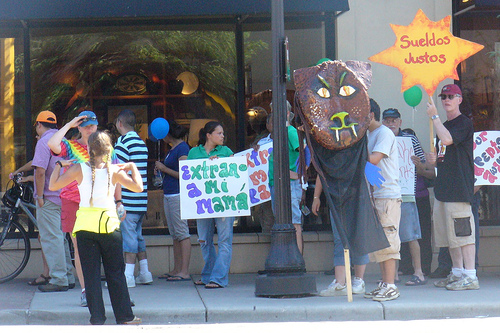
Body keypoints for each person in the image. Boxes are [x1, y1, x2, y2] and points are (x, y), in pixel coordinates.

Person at [49, 130, 142, 325]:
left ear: (89, 149)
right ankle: (125, 316)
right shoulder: (115, 171)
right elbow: (138, 188)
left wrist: (58, 165)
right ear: (109, 149)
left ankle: (97, 318)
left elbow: (53, 185)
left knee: (91, 276)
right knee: (116, 273)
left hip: (84, 228)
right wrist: (132, 167)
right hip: (109, 227)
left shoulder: (77, 169)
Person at [426, 84, 478, 290]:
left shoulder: (464, 123)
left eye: (450, 96)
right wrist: (433, 160)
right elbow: (444, 153)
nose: (446, 100)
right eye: (443, 96)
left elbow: (448, 139)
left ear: (459, 99)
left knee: (463, 233)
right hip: (444, 189)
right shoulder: (444, 126)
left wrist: (434, 117)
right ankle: (457, 273)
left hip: (458, 189)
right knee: (449, 235)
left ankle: (470, 275)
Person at [47, 110, 100, 306]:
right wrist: (69, 123)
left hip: (96, 202)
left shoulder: (102, 146)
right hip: (72, 200)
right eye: (85, 125)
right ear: (79, 127)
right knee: (79, 247)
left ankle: (96, 287)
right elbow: (52, 144)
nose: (89, 129)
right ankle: (86, 290)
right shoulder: (70, 146)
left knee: (99, 246)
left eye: (92, 125)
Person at [30, 111, 76, 293]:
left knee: (51, 238)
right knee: (61, 238)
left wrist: (40, 197)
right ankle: (67, 276)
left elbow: (40, 172)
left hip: (49, 197)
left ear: (39, 125)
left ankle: (58, 279)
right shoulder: (63, 142)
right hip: (64, 196)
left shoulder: (43, 143)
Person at [187, 121, 234, 289]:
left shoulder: (226, 152)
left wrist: (221, 162)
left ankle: (218, 278)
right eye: (219, 133)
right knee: (204, 240)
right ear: (208, 135)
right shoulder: (194, 152)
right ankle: (208, 275)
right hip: (203, 204)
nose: (222, 136)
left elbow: (234, 174)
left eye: (223, 133)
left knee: (224, 240)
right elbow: (189, 177)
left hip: (223, 203)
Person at [382, 108, 426, 286]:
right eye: (387, 120)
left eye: (394, 120)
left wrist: (418, 163)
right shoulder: (380, 137)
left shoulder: (410, 139)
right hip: (386, 193)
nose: (391, 123)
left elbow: (423, 163)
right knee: (391, 235)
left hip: (406, 193)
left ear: (400, 122)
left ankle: (419, 272)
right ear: (383, 121)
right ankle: (393, 275)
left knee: (411, 235)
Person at [364, 99, 402, 302]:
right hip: (376, 196)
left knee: (388, 241)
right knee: (380, 244)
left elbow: (373, 159)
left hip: (387, 196)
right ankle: (384, 283)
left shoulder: (384, 133)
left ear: (370, 115)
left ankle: (391, 285)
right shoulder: (370, 135)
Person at [312, 175, 368, 297]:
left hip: (356, 192)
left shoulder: (357, 154)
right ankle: (341, 283)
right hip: (338, 195)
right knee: (341, 238)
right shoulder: (331, 155)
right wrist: (316, 196)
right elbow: (321, 170)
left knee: (358, 236)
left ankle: (357, 281)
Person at [114, 109, 152, 287]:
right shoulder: (141, 143)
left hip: (127, 200)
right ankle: (144, 272)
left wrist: (117, 200)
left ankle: (128, 276)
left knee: (128, 238)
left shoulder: (122, 142)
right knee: (138, 236)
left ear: (119, 124)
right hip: (141, 199)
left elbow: (118, 172)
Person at [155, 120, 192, 281]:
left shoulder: (183, 148)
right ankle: (177, 268)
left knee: (182, 233)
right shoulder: (172, 149)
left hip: (178, 194)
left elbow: (185, 174)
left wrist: (164, 169)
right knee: (175, 234)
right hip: (169, 193)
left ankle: (184, 270)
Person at [268, 101, 304, 253]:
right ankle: (288, 257)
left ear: (287, 114)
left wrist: (299, 173)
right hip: (277, 183)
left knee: (294, 223)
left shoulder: (290, 132)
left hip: (289, 184)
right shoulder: (279, 133)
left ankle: (297, 260)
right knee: (283, 223)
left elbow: (305, 152)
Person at [10, 160, 50, 286]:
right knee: (44, 236)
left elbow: (39, 168)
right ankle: (48, 273)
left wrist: (17, 171)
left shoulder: (45, 143)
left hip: (48, 199)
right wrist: (27, 178)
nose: (37, 138)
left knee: (48, 236)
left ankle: (50, 274)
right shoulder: (51, 145)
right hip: (50, 197)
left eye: (37, 137)